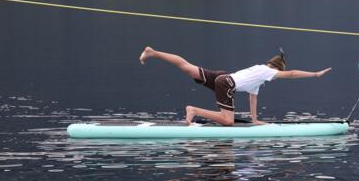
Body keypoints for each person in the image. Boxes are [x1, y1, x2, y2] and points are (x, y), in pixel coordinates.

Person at [139, 46, 331, 126]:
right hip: (226, 82)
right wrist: (315, 74)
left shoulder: (258, 74)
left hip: (223, 76)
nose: (276, 77)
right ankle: (194, 110)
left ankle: (153, 52)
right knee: (228, 121)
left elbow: (252, 97)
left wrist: (255, 120)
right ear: (275, 69)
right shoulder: (266, 71)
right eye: (278, 73)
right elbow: (291, 74)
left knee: (186, 66)